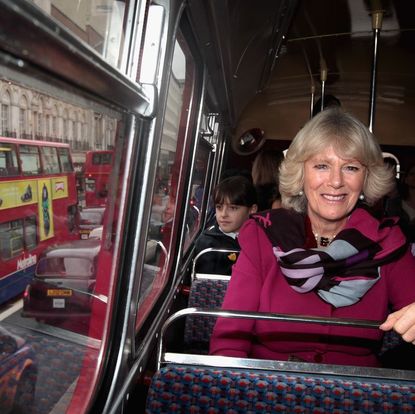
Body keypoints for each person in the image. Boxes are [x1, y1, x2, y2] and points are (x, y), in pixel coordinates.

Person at [210, 108, 415, 367]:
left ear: (366, 178)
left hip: (355, 392)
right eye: (321, 166)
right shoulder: (265, 236)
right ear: (301, 173)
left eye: (350, 167)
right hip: (268, 386)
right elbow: (230, 340)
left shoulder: (387, 243)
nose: (336, 181)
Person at [193, 176, 258, 275]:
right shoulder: (207, 244)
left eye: (233, 208)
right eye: (219, 207)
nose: (223, 214)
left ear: (252, 210)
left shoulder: (261, 238)